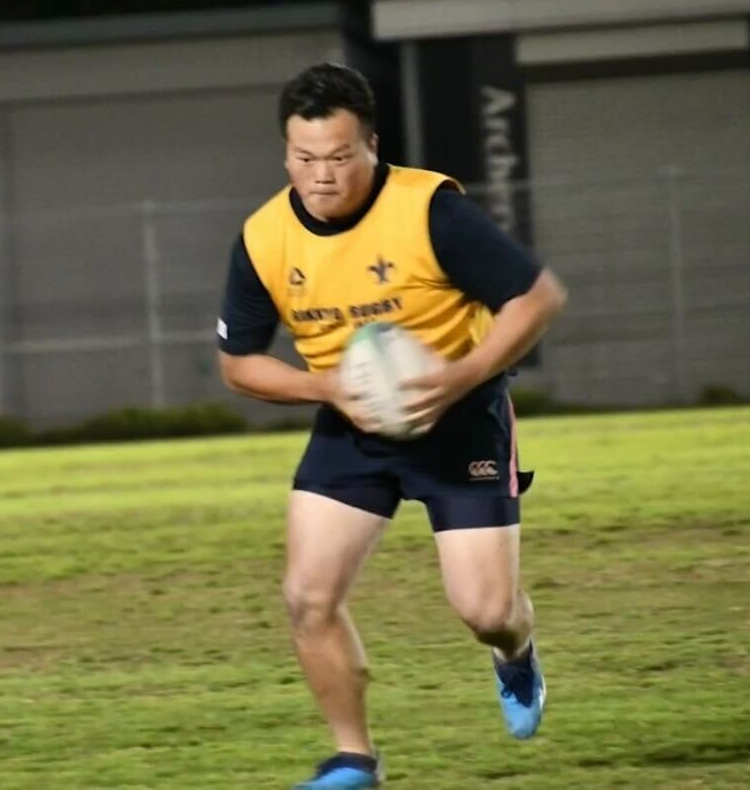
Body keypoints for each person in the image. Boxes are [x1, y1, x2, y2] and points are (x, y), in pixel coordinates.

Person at [217, 62, 567, 790]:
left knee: (485, 610)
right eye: (305, 158)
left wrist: (461, 377)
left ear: (372, 146)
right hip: (353, 424)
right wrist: (326, 388)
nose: (322, 175)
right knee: (308, 597)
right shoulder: (263, 238)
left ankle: (514, 650)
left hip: (462, 422)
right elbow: (239, 364)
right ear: (286, 153)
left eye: (340, 156)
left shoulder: (429, 212)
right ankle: (355, 760)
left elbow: (537, 297)